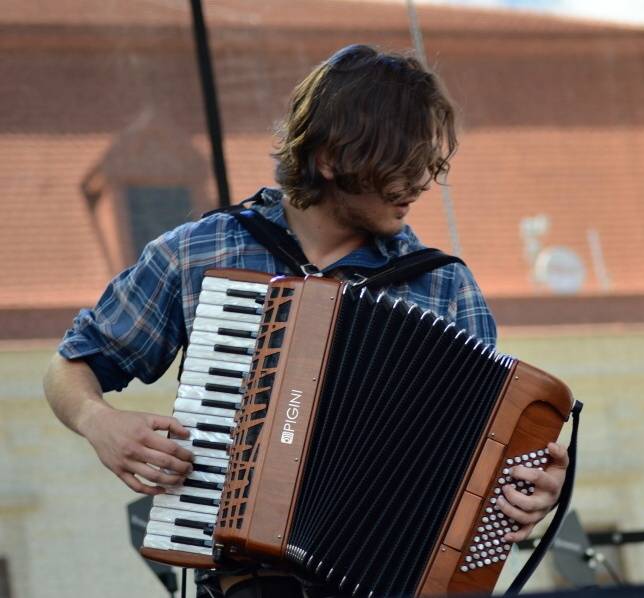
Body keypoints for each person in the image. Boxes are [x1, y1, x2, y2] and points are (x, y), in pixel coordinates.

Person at [43, 44, 567, 597]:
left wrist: (526, 492)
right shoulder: (200, 252)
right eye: (402, 165)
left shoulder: (444, 286)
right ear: (330, 158)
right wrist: (100, 423)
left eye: (426, 165)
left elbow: (474, 471)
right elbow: (70, 367)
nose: (420, 183)